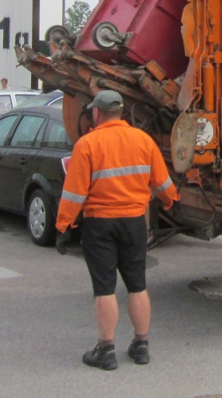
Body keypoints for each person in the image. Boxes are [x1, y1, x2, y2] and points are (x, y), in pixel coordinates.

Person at [54, 90, 178, 371]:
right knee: (137, 284)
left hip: (100, 224)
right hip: (134, 222)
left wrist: (63, 226)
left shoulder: (87, 144)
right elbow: (162, 183)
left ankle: (106, 350)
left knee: (104, 288)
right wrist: (171, 200)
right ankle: (141, 345)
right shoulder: (143, 141)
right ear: (121, 112)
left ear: (96, 113)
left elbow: (74, 193)